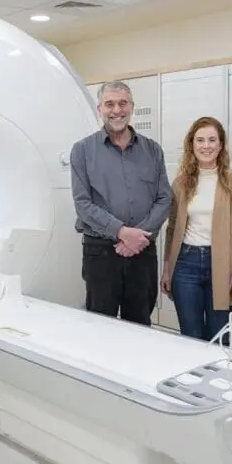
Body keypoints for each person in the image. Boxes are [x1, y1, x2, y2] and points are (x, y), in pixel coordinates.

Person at [69, 80, 172, 326]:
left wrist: (140, 237)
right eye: (110, 104)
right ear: (100, 109)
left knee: (140, 323)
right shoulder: (82, 151)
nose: (117, 110)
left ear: (132, 106)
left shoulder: (153, 150)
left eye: (122, 103)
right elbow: (83, 204)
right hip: (101, 253)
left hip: (142, 253)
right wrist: (122, 232)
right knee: (101, 324)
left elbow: (164, 198)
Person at [161, 117, 232, 342]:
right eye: (200, 140)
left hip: (221, 264)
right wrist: (166, 270)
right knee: (191, 338)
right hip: (185, 264)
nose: (206, 146)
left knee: (219, 338)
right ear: (192, 145)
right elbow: (172, 229)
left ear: (221, 145)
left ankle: (219, 377)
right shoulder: (181, 183)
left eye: (212, 140)